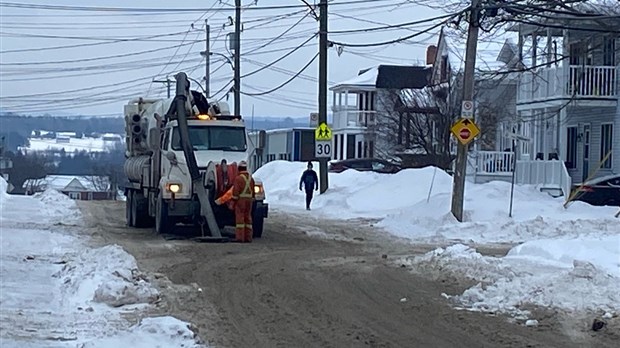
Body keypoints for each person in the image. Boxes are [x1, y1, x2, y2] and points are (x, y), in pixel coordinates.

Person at [231, 160, 255, 243]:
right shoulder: (251, 179)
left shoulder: (238, 179)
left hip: (241, 201)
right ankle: (248, 237)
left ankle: (240, 238)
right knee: (248, 218)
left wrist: (232, 203)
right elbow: (253, 192)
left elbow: (235, 192)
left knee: (240, 219)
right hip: (249, 201)